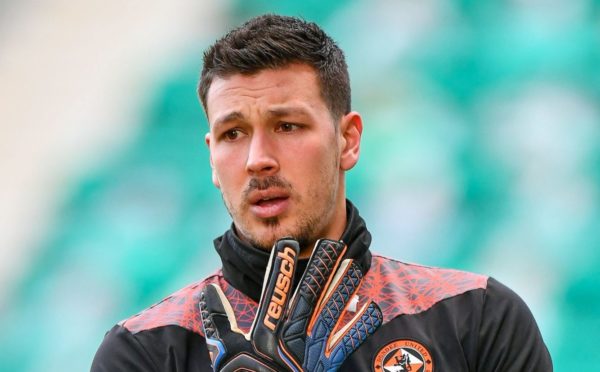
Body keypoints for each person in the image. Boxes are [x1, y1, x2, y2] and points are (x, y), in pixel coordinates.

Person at [91, 14, 552, 371]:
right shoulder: (144, 352)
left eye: (287, 126)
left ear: (348, 140)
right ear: (212, 157)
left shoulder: (476, 317)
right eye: (233, 133)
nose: (258, 158)